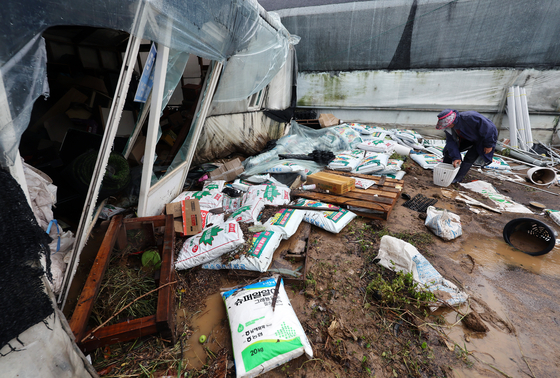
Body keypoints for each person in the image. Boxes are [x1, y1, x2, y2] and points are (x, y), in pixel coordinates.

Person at [436, 109, 498, 183]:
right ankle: (445, 172)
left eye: (449, 124)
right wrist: (456, 157)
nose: (448, 126)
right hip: (466, 137)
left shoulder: (470, 117)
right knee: (448, 151)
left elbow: (489, 129)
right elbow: (451, 142)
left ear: (453, 120)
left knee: (470, 157)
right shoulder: (449, 128)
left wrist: (489, 144)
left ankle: (458, 178)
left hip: (482, 139)